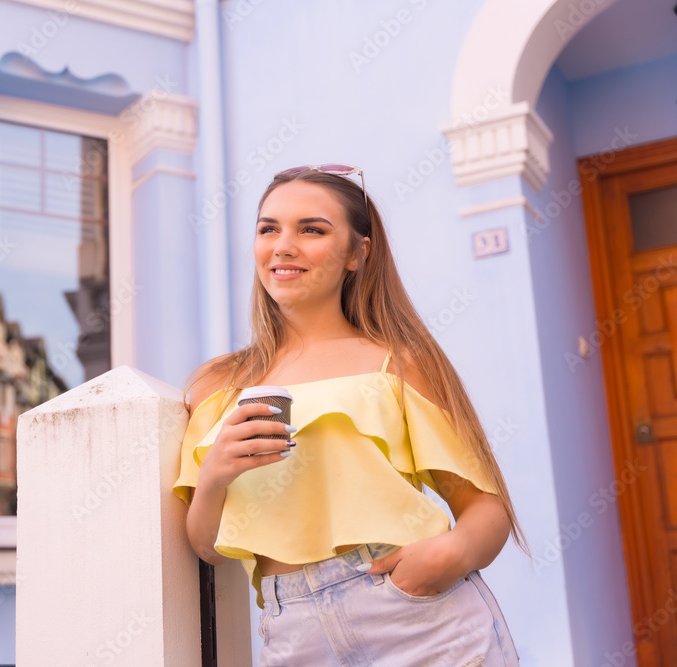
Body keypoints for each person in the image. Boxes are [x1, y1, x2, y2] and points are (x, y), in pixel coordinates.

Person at [172, 165, 527, 665]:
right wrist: (212, 478)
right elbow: (207, 549)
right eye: (268, 228)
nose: (283, 245)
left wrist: (448, 555)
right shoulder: (216, 386)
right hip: (292, 630)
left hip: (417, 617)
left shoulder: (398, 364)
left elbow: (485, 509)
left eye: (312, 229)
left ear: (358, 253)